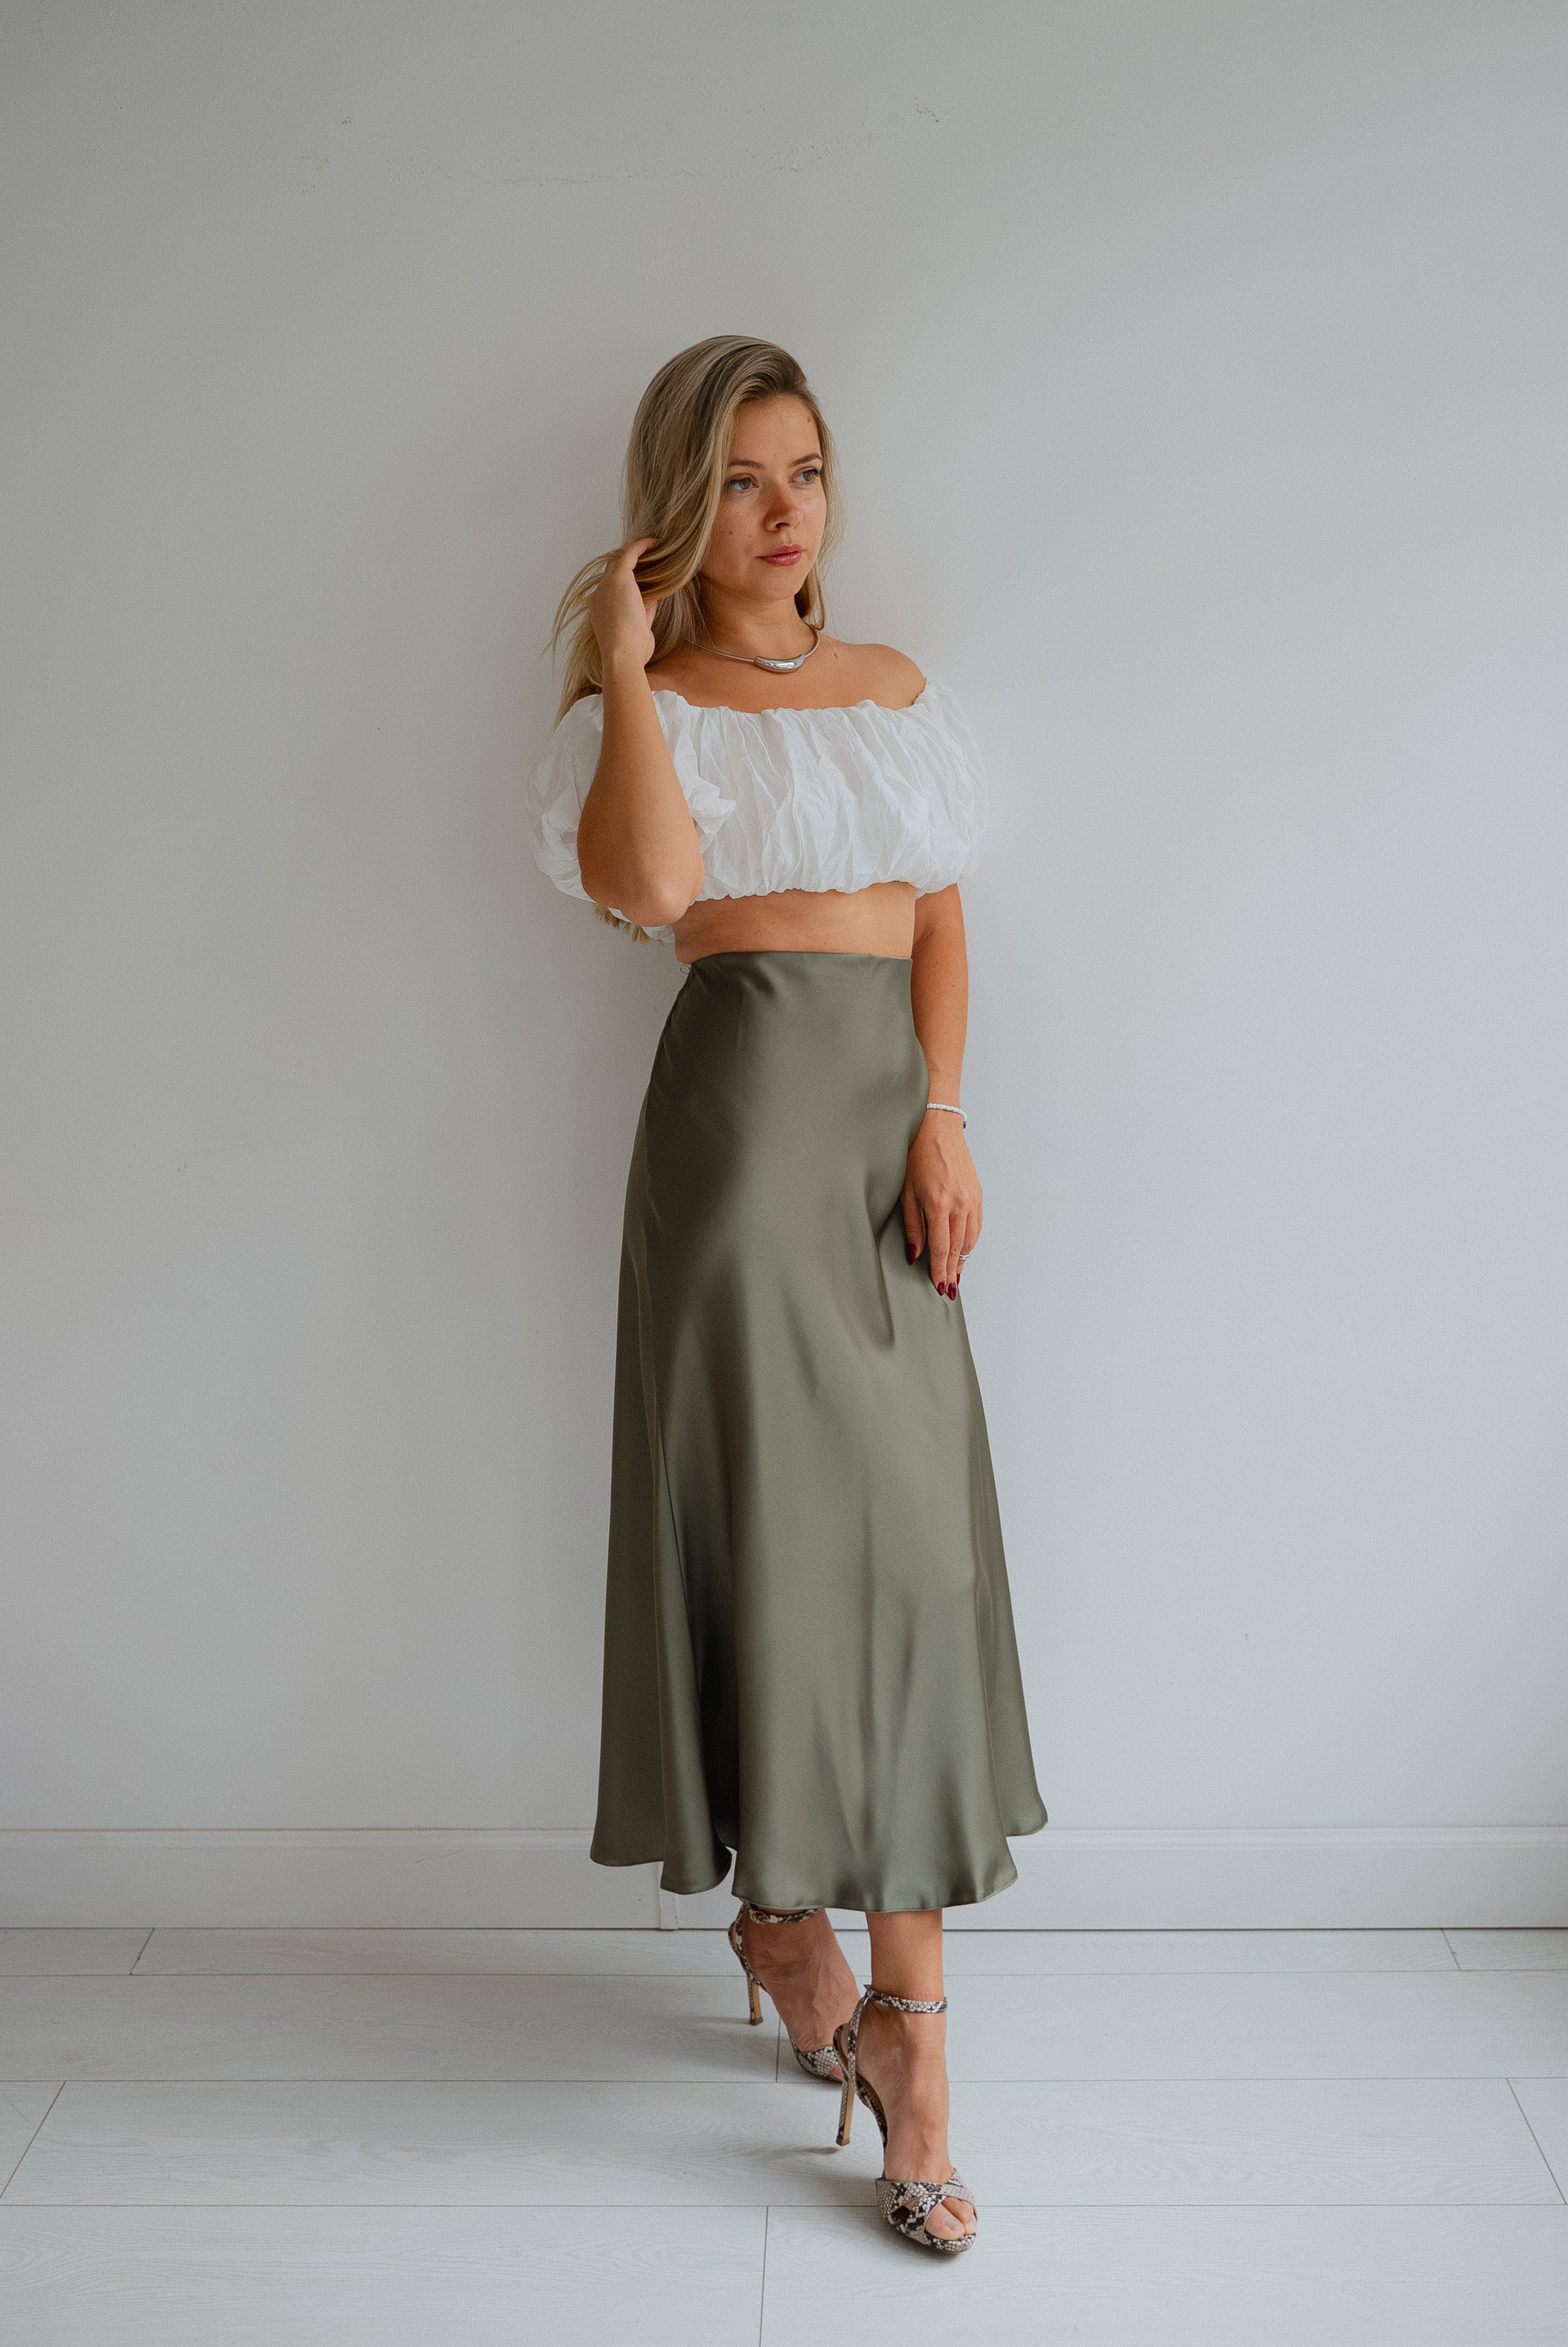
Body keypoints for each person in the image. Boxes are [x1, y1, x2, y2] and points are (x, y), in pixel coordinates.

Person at [526, 336, 1046, 2254]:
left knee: (910, 1565)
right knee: (780, 1543)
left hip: (887, 1142)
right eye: (740, 479)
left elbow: (941, 909)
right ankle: (864, 2007)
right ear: (681, 507)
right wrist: (627, 660)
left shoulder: (895, 688)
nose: (781, 512)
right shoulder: (640, 712)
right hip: (739, 1149)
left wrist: (946, 1114)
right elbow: (657, 891)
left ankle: (869, 1990)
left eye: (804, 472)